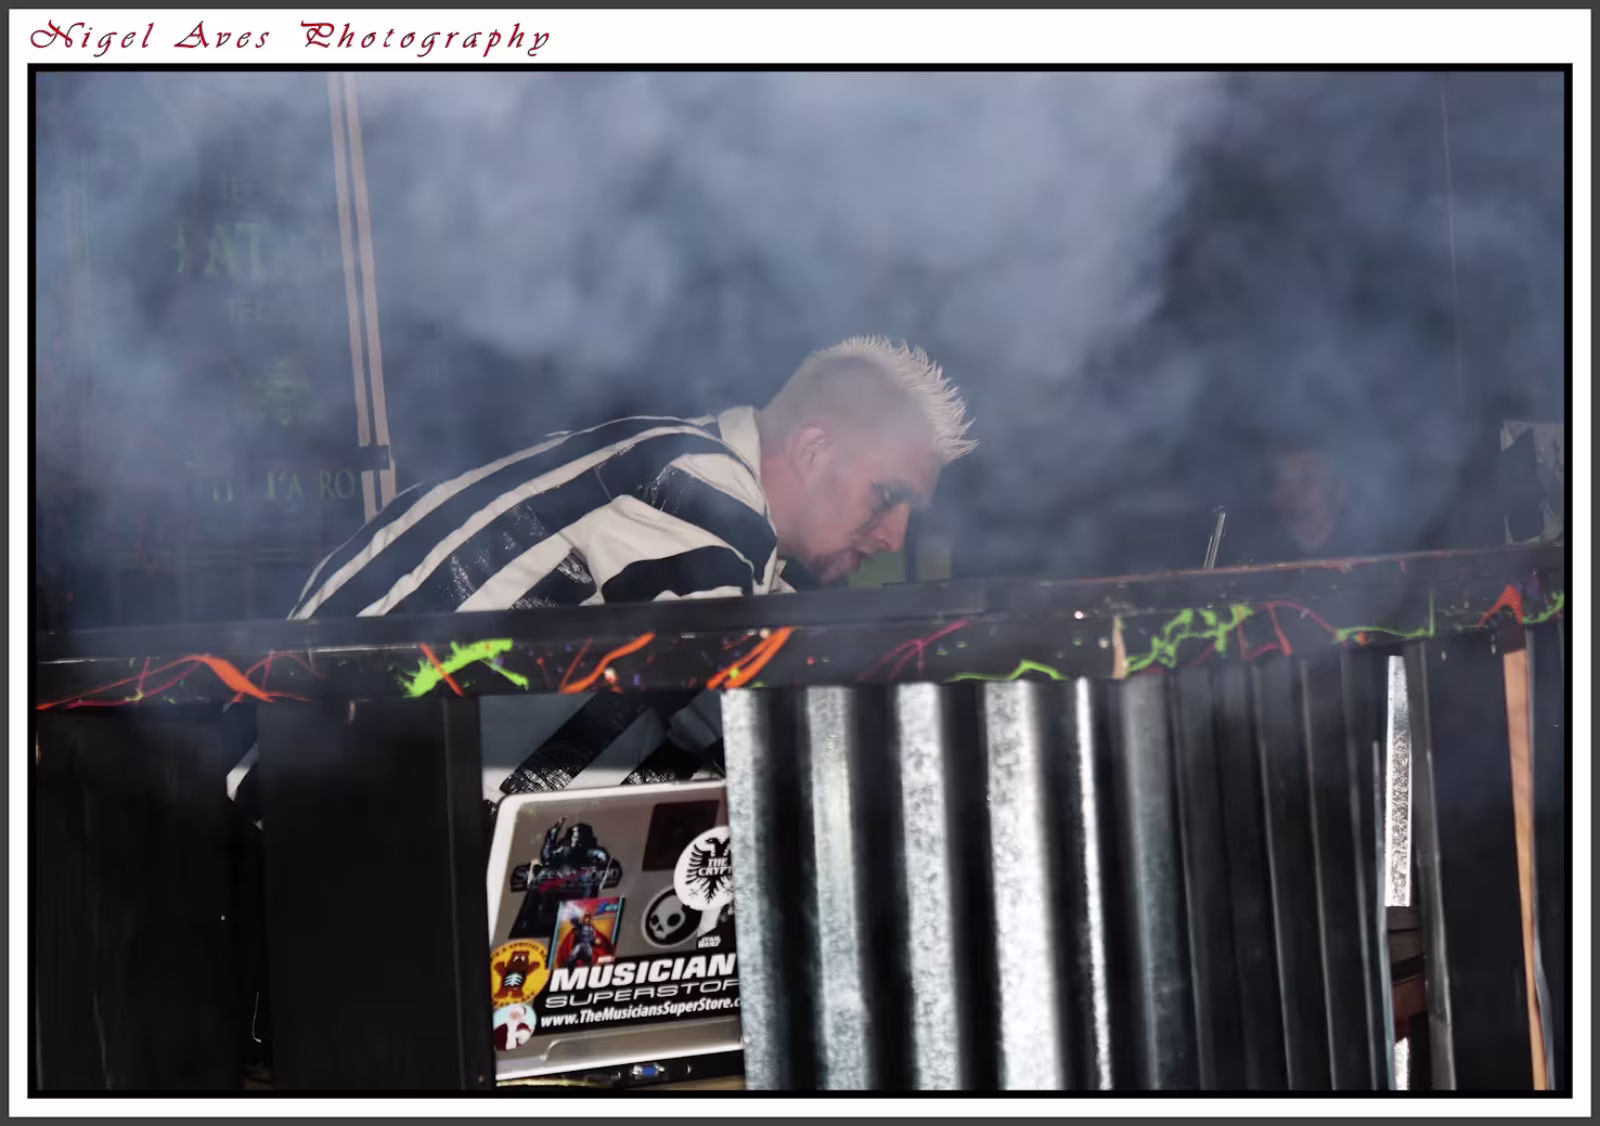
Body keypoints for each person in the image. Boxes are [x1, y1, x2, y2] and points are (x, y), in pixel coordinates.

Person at [287, 335, 975, 619]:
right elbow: (737, 744)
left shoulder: (696, 482)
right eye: (887, 498)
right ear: (815, 451)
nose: (894, 538)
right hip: (300, 788)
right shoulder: (700, 490)